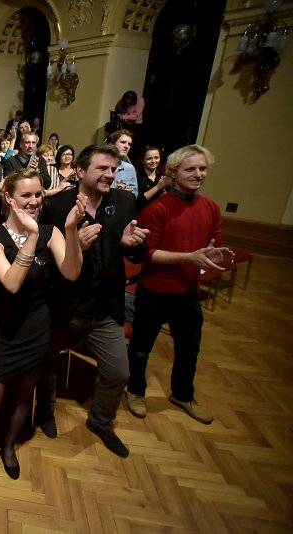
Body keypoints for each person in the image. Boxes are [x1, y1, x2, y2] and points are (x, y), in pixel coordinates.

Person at [0, 169, 85, 508]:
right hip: (1, 331)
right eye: (26, 196)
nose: (34, 201)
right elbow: (11, 283)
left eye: (39, 195)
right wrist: (30, 237)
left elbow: (72, 272)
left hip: (36, 329)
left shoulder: (52, 231)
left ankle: (9, 446)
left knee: (22, 397)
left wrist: (71, 230)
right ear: (10, 200)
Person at [36, 144, 149, 458]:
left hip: (104, 307)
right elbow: (43, 260)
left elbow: (137, 251)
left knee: (119, 373)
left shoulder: (125, 201)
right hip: (62, 306)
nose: (110, 175)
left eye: (113, 169)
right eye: (102, 168)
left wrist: (132, 245)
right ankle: (45, 410)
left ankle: (100, 420)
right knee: (48, 364)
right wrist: (75, 249)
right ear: (80, 171)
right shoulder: (56, 206)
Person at [126, 145, 231, 425]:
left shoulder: (211, 207)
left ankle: (182, 394)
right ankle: (135, 390)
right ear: (173, 172)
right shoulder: (158, 208)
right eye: (191, 169)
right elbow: (147, 254)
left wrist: (216, 255)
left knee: (189, 348)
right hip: (155, 291)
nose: (198, 174)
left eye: (202, 168)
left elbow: (213, 244)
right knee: (140, 347)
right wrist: (190, 257)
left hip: (187, 292)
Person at [136, 145, 170, 212]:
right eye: (149, 158)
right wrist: (158, 187)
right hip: (142, 215)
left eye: (156, 158)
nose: (153, 161)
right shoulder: (137, 177)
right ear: (142, 161)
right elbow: (138, 201)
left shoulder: (162, 176)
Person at [106, 130, 138, 197]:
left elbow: (135, 194)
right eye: (123, 142)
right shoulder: (101, 164)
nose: (127, 146)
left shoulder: (129, 168)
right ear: (112, 144)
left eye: (129, 144)